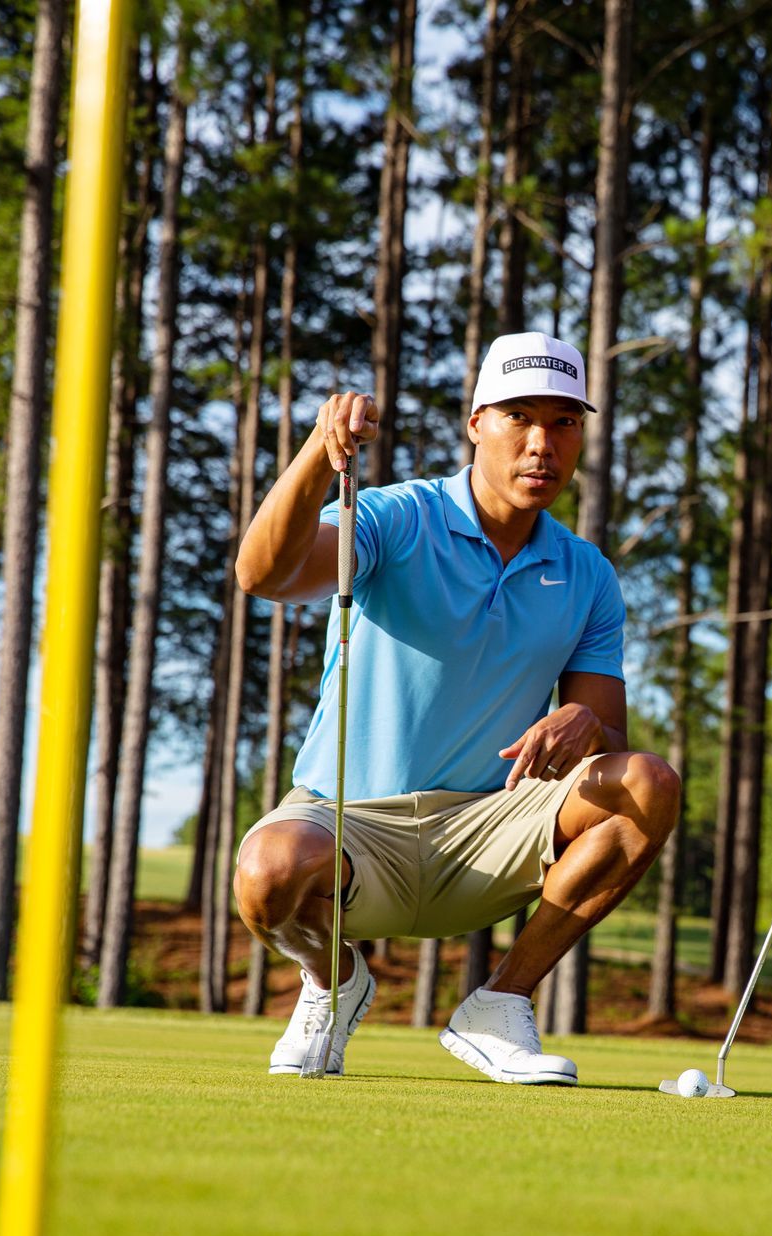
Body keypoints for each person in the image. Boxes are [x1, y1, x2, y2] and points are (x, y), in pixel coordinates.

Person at [233, 331, 680, 1085]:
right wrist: (317, 451)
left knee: (648, 784)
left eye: (564, 422)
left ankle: (500, 1003)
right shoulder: (395, 517)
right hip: (349, 824)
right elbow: (262, 574)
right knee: (267, 872)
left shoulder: (586, 573)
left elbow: (611, 742)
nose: (543, 444)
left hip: (486, 828)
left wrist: (585, 724)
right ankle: (333, 980)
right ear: (477, 425)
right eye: (519, 418)